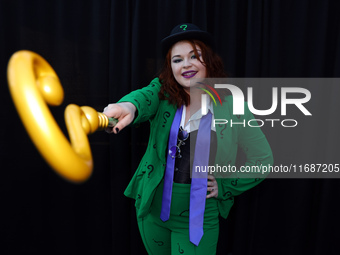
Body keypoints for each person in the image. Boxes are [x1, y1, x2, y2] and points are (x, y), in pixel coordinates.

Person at [103, 23, 273, 255]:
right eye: (177, 59)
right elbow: (143, 98)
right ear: (170, 67)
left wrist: (224, 186)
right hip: (152, 210)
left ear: (209, 61)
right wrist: (128, 106)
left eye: (195, 56)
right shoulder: (162, 94)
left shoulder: (235, 107)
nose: (186, 65)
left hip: (199, 218)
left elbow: (263, 159)